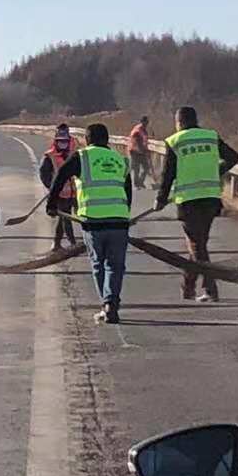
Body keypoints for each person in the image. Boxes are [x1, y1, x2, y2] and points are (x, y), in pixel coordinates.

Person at [46, 123, 133, 324]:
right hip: (119, 220)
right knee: (116, 265)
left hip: (93, 219)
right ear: (107, 140)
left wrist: (51, 204)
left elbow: (60, 176)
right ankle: (112, 303)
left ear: (87, 139)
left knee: (98, 263)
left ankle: (106, 305)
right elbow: (127, 191)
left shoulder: (82, 157)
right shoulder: (120, 160)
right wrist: (125, 213)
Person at [153, 106, 238, 303]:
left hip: (189, 200)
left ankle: (210, 288)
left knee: (196, 245)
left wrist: (160, 198)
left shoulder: (175, 141)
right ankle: (188, 287)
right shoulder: (210, 136)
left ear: (179, 122)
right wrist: (216, 171)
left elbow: (168, 174)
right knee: (198, 244)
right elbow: (233, 157)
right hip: (210, 198)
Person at [38, 124, 78, 249]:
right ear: (56, 142)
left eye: (65, 142)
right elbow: (44, 174)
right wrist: (51, 187)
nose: (63, 144)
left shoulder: (73, 155)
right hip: (58, 193)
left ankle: (57, 242)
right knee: (66, 217)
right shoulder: (49, 157)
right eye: (60, 142)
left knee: (64, 216)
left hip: (73, 192)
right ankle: (72, 243)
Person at [128, 116, 153, 189]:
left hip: (141, 151)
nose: (147, 124)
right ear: (142, 122)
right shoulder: (137, 131)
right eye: (146, 122)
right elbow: (137, 142)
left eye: (147, 122)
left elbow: (144, 141)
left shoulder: (144, 130)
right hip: (134, 151)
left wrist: (146, 150)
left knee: (146, 168)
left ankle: (140, 182)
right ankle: (136, 184)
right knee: (136, 168)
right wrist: (143, 150)